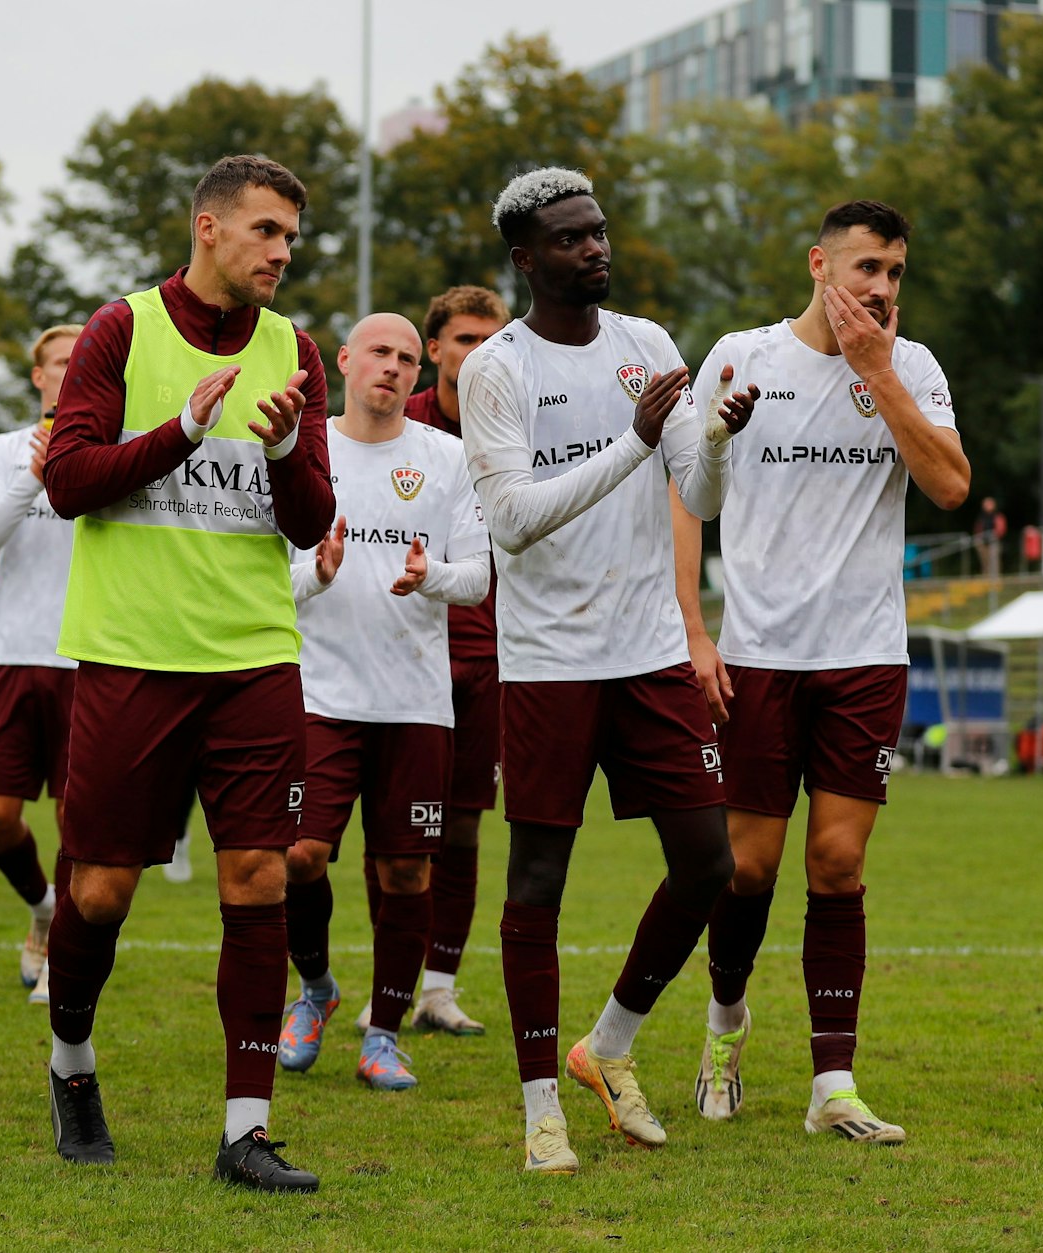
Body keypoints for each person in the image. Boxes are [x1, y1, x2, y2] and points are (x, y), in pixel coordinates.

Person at [41, 154, 334, 1190]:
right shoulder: (119, 329)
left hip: (254, 653)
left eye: (291, 237)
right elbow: (68, 480)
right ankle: (70, 1061)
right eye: (265, 231)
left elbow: (310, 523)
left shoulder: (296, 348)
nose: (282, 252)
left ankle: (244, 1130)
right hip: (130, 652)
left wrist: (295, 443)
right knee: (102, 891)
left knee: (256, 876)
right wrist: (182, 432)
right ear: (207, 227)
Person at [458, 167, 758, 1174]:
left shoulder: (649, 346)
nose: (595, 248)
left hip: (649, 653)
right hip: (546, 661)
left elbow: (696, 492)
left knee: (708, 864)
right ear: (524, 258)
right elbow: (510, 520)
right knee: (537, 878)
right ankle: (540, 1103)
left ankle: (610, 1045)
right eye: (571, 238)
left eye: (598, 232)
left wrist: (714, 436)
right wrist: (635, 441)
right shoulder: (493, 367)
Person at [674, 200, 970, 1143]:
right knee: (748, 868)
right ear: (818, 265)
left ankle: (832, 1082)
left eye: (894, 272)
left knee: (837, 865)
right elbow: (692, 493)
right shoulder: (741, 355)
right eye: (865, 269)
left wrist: (880, 375)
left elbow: (953, 486)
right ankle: (725, 1023)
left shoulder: (910, 365)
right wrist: (694, 628)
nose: (881, 288)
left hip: (866, 655)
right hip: (758, 654)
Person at [277, 312, 490, 1091]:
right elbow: (273, 578)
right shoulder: (305, 451)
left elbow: (477, 578)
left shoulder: (447, 457)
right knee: (298, 857)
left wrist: (428, 575)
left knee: (405, 874)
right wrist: (321, 575)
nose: (394, 368)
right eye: (380, 353)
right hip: (320, 693)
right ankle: (316, 989)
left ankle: (386, 1034)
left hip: (414, 701)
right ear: (344, 361)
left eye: (406, 357)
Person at [356, 285, 510, 1038]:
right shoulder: (396, 423)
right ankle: (389, 980)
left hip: (485, 654)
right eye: (465, 339)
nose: (479, 354)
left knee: (462, 828)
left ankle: (438, 987)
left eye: (493, 340)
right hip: (389, 653)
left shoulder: (515, 428)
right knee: (386, 835)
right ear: (436, 350)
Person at [0, 324, 83, 1006]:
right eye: (60, 363)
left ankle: (62, 951)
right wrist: (32, 479)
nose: (71, 372)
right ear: (38, 376)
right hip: (9, 654)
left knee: (78, 820)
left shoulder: (112, 448)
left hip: (85, 657)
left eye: (83, 363)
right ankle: (42, 904)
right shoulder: (2, 451)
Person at [972, 496, 1005, 578]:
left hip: (993, 540)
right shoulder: (981, 517)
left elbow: (1001, 529)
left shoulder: (997, 516)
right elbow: (978, 529)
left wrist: (995, 534)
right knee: (984, 562)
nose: (987, 506)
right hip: (983, 542)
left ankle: (995, 580)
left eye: (989, 504)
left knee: (994, 561)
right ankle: (985, 578)